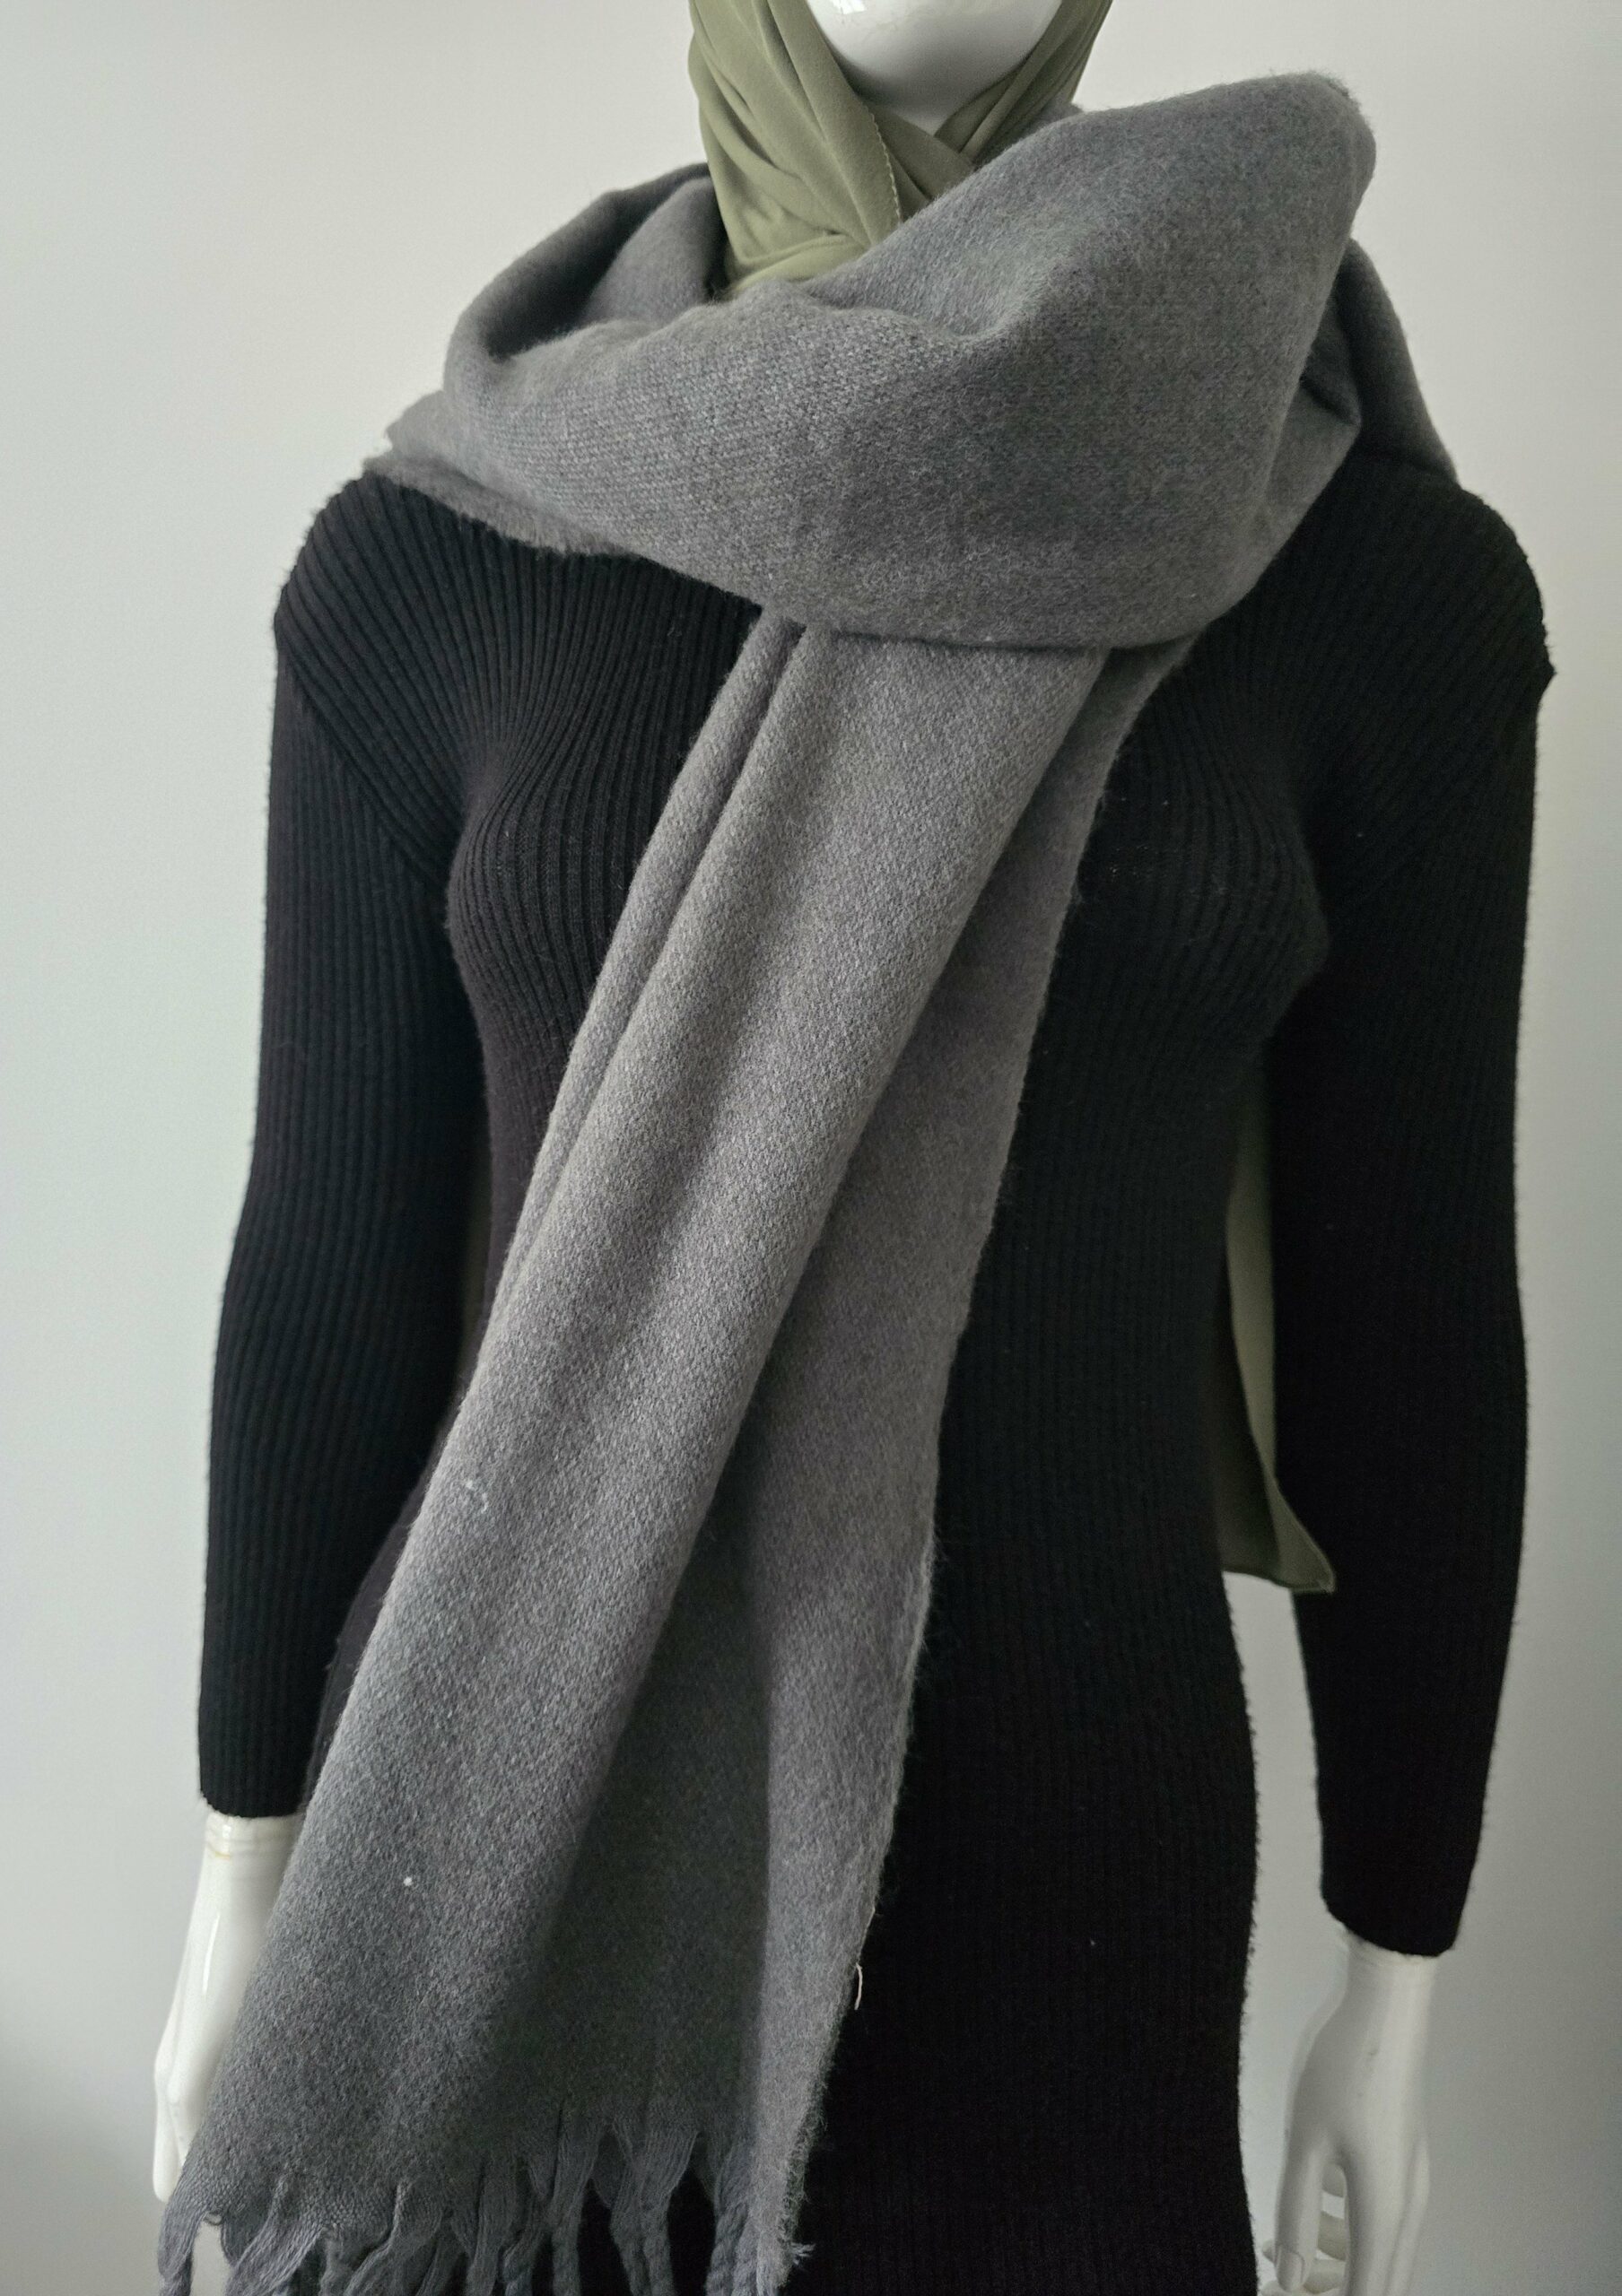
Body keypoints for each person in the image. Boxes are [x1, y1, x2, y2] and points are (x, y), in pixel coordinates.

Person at [153, 7, 1553, 2292]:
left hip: (1073, 1920)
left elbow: (1411, 1330)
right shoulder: (436, 552)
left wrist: (1398, 1958)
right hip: (500, 1865)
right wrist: (245, 1868)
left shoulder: (1375, 587)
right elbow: (329, 1254)